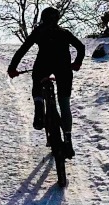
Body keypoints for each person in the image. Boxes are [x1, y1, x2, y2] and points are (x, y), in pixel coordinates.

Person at [7, 7, 85, 159]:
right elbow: (80, 47)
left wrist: (12, 68)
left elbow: (22, 50)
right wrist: (77, 63)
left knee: (37, 79)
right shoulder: (64, 32)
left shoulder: (39, 31)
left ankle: (38, 109)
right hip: (63, 67)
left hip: (44, 64)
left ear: (43, 19)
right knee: (64, 104)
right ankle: (68, 141)